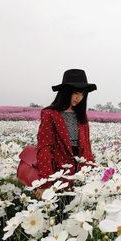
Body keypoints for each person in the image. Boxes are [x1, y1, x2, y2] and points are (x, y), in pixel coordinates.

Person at [34, 69, 97, 199]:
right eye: (75, 93)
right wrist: (45, 182)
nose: (79, 98)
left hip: (80, 170)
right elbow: (44, 147)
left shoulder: (81, 115)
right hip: (58, 169)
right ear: (66, 91)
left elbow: (87, 146)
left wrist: (92, 171)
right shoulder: (50, 114)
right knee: (60, 209)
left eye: (82, 94)